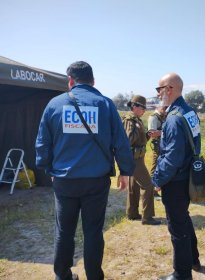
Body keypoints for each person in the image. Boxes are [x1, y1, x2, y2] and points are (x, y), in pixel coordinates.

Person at [35, 61, 135, 280]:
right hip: (96, 181)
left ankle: (62, 275)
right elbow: (121, 142)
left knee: (64, 231)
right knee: (93, 231)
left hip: (64, 180)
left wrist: (47, 168)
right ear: (93, 81)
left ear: (70, 81)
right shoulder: (105, 104)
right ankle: (94, 276)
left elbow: (42, 142)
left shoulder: (54, 104)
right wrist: (125, 171)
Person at [152, 73, 201, 280]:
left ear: (169, 89)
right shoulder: (189, 112)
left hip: (176, 181)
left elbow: (171, 158)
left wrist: (157, 180)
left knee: (177, 227)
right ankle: (193, 259)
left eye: (159, 89)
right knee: (184, 219)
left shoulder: (173, 119)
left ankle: (181, 274)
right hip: (187, 175)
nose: (157, 94)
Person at [122, 95, 161, 225]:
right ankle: (147, 217)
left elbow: (138, 140)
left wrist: (147, 135)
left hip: (136, 158)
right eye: (142, 108)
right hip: (134, 159)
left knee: (134, 187)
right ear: (134, 106)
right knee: (148, 185)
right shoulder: (130, 120)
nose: (144, 110)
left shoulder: (136, 120)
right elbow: (128, 140)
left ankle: (132, 213)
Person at [148, 105, 167, 196]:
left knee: (163, 167)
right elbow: (152, 134)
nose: (166, 110)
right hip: (157, 146)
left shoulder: (164, 116)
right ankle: (152, 190)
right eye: (164, 108)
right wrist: (165, 132)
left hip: (164, 145)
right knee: (155, 167)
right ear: (159, 107)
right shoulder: (153, 117)